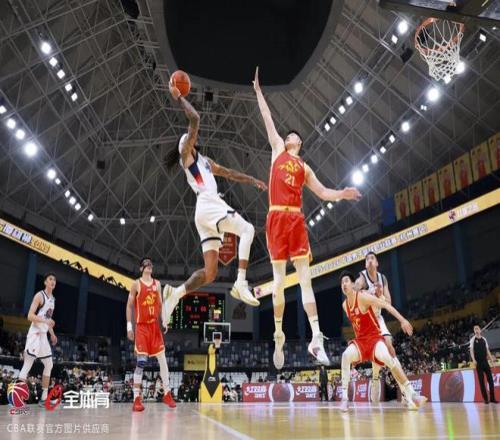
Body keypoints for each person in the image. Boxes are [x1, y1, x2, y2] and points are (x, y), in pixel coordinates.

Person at [253, 67, 361, 369]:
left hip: (296, 220)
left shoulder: (305, 167)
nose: (290, 136)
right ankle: (278, 334)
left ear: (299, 143)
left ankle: (316, 338)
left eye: (294, 136)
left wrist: (343, 193)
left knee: (305, 281)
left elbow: (324, 192)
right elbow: (267, 118)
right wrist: (258, 92)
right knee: (278, 283)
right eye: (288, 135)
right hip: (277, 217)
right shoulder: (277, 150)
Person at [162, 79, 266, 323]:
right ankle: (240, 282)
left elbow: (229, 173)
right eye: (189, 138)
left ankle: (175, 294)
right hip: (208, 204)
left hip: (205, 212)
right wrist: (178, 97)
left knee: (210, 274)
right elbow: (195, 119)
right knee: (248, 230)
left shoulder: (205, 162)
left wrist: (252, 179)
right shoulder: (186, 157)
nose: (193, 137)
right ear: (186, 145)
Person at [339, 270, 427, 412]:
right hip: (361, 342)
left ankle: (412, 394)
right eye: (342, 283)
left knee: (389, 357)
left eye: (346, 281)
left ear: (353, 284)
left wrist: (403, 320)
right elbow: (357, 324)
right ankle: (344, 399)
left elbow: (386, 305)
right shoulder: (345, 305)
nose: (344, 284)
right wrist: (356, 345)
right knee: (345, 355)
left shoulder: (363, 297)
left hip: (374, 338)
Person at [126, 257, 176, 411]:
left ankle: (167, 393)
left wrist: (164, 321)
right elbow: (129, 306)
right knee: (141, 362)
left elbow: (160, 305)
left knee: (163, 360)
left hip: (154, 327)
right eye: (146, 264)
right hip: (141, 328)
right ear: (141, 268)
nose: (149, 265)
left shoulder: (157, 284)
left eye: (150, 264)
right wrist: (129, 327)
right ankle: (136, 399)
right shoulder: (136, 284)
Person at [353, 251, 404, 402]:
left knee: (390, 348)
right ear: (365, 264)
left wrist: (380, 294)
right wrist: (359, 289)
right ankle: (375, 378)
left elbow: (388, 301)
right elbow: (356, 287)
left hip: (378, 318)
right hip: (367, 321)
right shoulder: (362, 276)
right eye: (367, 259)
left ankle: (404, 390)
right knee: (376, 352)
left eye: (372, 258)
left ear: (376, 263)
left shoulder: (382, 278)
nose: (369, 260)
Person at [18, 273, 58, 406]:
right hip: (35, 333)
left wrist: (52, 334)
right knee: (28, 364)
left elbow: (47, 318)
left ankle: (44, 398)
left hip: (43, 335)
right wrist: (46, 321)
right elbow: (30, 316)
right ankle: (17, 398)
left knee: (49, 364)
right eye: (50, 279)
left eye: (54, 280)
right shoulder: (39, 296)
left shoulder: (53, 299)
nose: (53, 281)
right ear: (45, 282)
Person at [469, 325, 497, 404]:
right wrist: (473, 360)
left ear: (480, 330)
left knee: (491, 381)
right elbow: (471, 351)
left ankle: (492, 398)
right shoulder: (472, 340)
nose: (476, 330)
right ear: (474, 331)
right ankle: (486, 399)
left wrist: (492, 361)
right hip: (478, 363)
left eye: (477, 329)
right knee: (481, 382)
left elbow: (487, 351)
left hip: (485, 362)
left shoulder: (484, 339)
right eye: (475, 329)